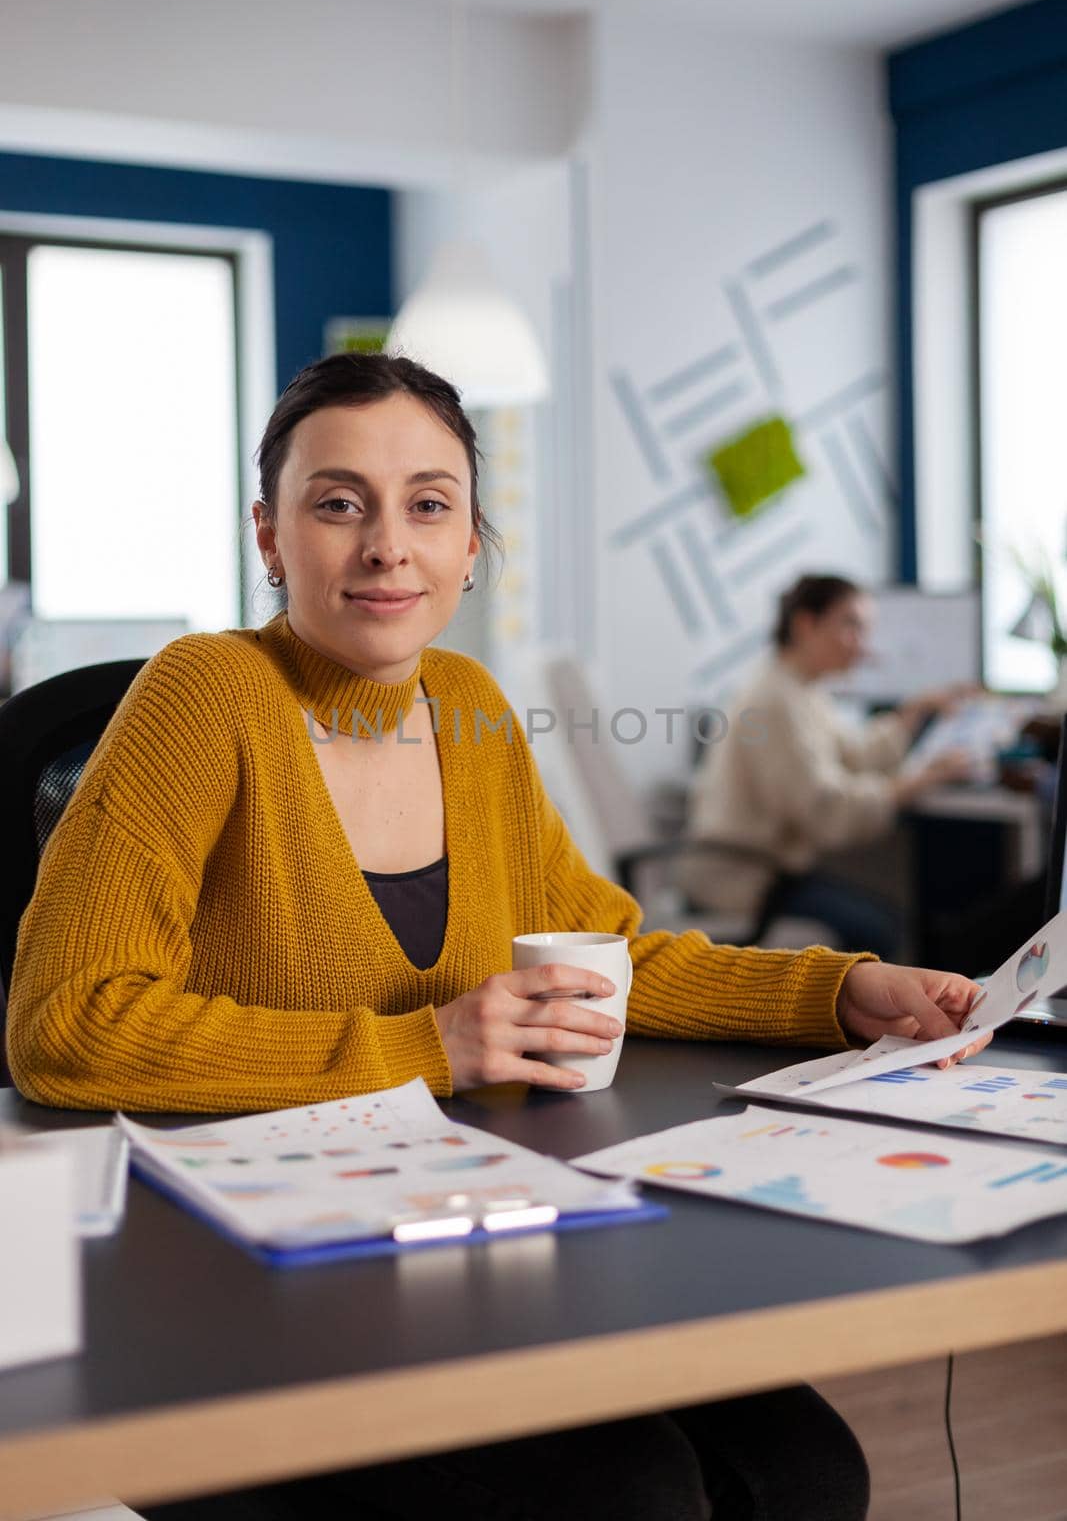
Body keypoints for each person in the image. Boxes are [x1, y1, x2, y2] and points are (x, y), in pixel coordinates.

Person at [7, 358, 988, 1521]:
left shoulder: (469, 708)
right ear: (268, 536)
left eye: (428, 504)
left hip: (464, 1233)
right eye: (336, 504)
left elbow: (610, 954)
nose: (387, 546)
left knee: (804, 1470)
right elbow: (62, 1024)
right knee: (631, 1494)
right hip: (243, 1280)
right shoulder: (205, 693)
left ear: (471, 542)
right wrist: (430, 1045)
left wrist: (837, 991)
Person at [683, 574, 974, 958]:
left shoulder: (800, 689)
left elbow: (851, 753)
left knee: (887, 915)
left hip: (769, 871)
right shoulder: (775, 702)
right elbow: (824, 808)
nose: (863, 644)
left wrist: (912, 713)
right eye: (851, 625)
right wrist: (915, 784)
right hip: (747, 879)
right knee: (884, 930)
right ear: (806, 624)